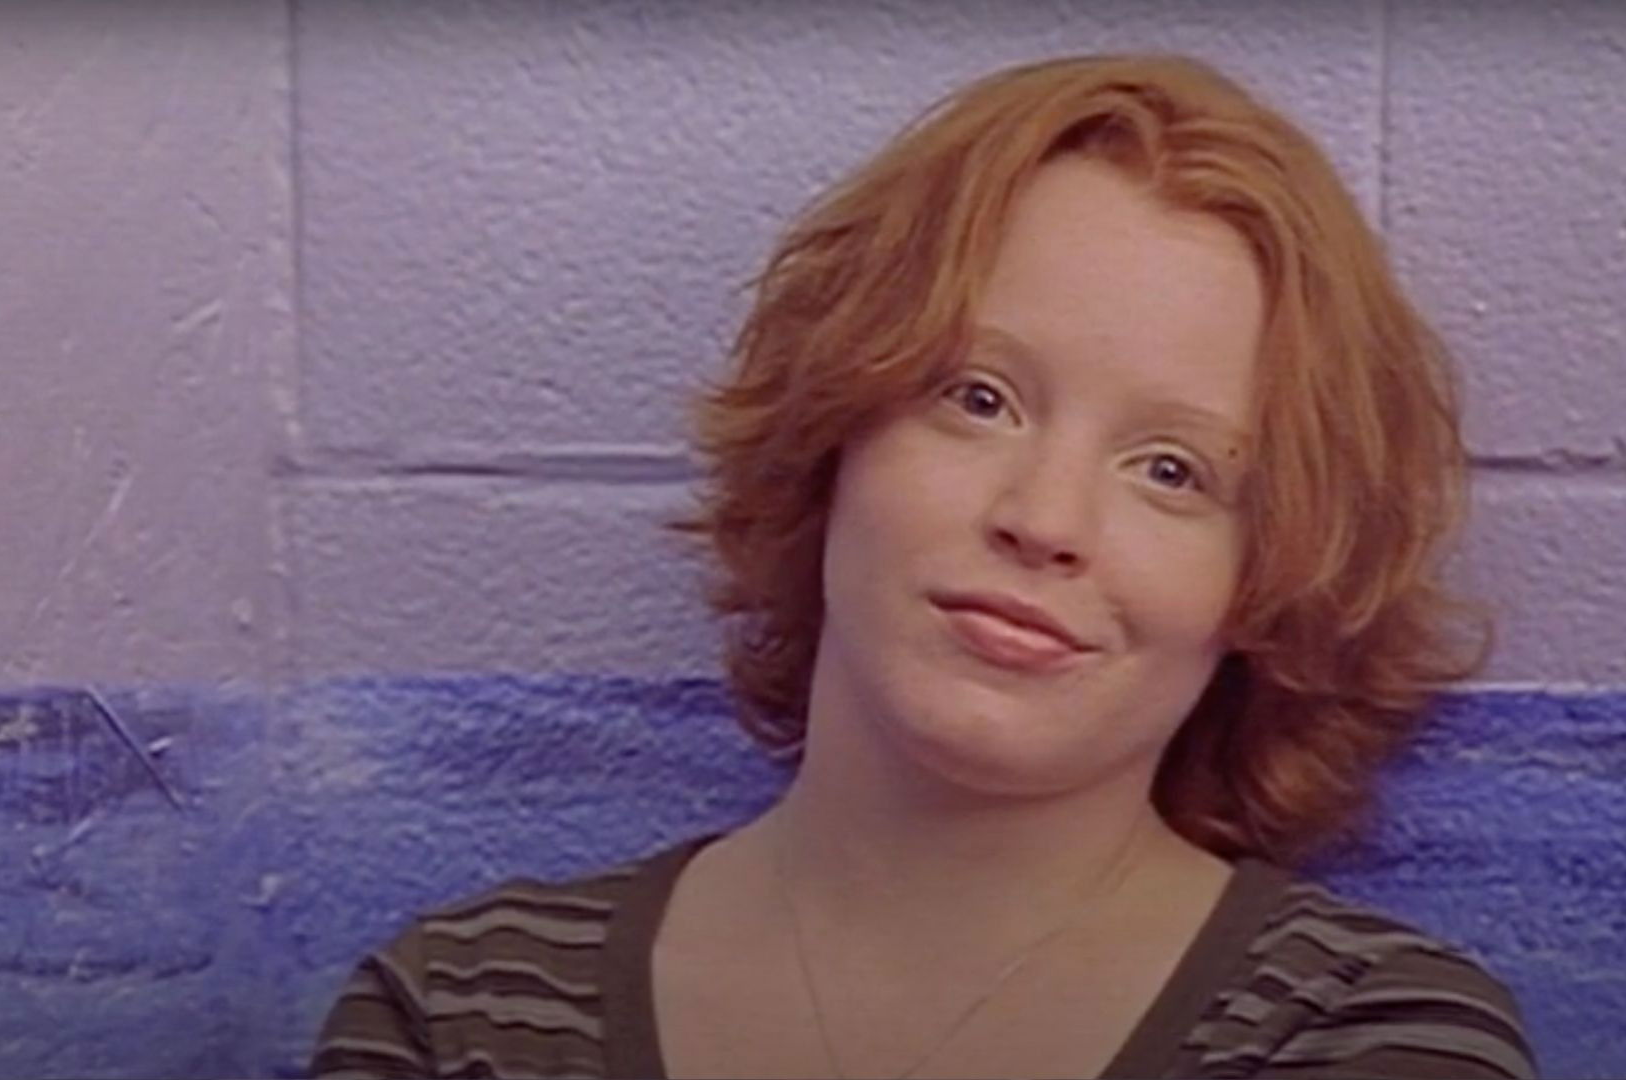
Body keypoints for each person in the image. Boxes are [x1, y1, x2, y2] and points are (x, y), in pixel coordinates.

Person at [310, 53, 1536, 1080]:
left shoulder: (1365, 1036)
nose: (1045, 519)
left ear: (1271, 580)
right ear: (832, 429)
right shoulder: (460, 1013)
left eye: (1173, 471)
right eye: (978, 397)